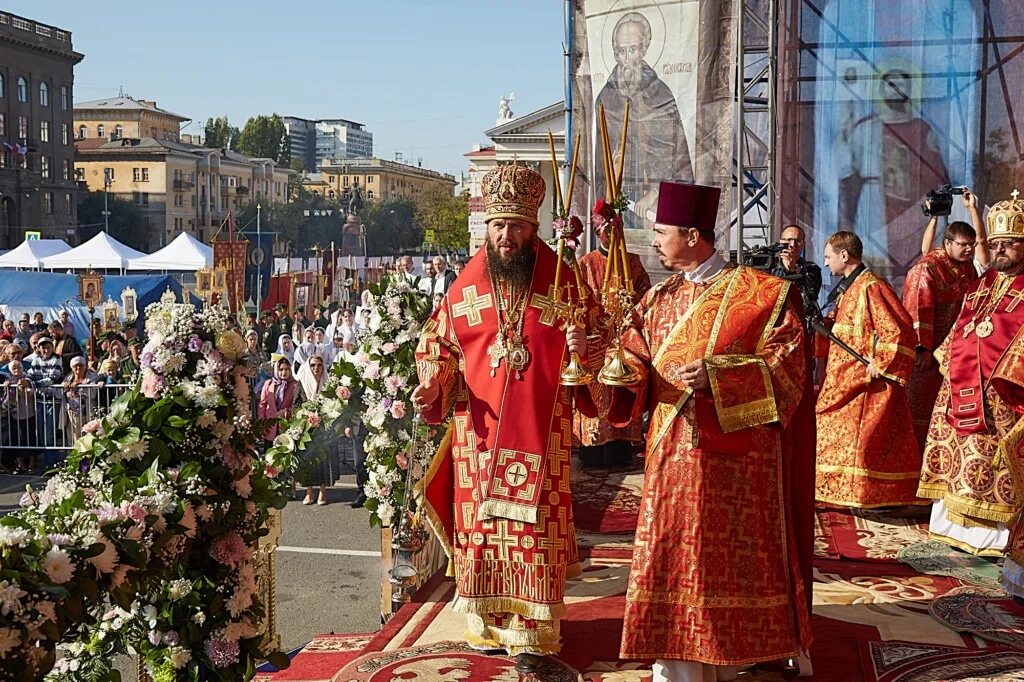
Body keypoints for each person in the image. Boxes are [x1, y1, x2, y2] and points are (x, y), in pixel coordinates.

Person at [583, 181, 811, 681]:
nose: (655, 239)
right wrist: (597, 356)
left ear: (692, 234)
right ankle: (677, 658)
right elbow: (632, 364)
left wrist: (719, 377)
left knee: (725, 560)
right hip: (670, 458)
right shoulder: (656, 300)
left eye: (661, 231)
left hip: (737, 463)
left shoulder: (762, 294)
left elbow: (789, 370)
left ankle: (734, 652)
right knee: (673, 552)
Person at [411, 163, 596, 673]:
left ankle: (535, 630)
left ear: (533, 229)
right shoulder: (466, 286)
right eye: (498, 227)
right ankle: (487, 623)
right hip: (480, 432)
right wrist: (433, 379)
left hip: (542, 428)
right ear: (486, 229)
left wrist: (586, 347)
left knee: (532, 528)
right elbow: (440, 345)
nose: (506, 237)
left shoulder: (562, 279)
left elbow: (597, 341)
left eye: (516, 226)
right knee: (484, 528)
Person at [919, 191, 1024, 556]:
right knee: (959, 457)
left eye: (1009, 245)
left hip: (1002, 396)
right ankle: (953, 525)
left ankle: (994, 536)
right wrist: (950, 365)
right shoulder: (983, 284)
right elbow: (963, 327)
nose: (1001, 251)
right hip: (960, 387)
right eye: (996, 245)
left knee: (988, 460)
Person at [815, 231, 921, 508]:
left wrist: (881, 363)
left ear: (844, 255)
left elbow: (900, 332)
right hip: (841, 381)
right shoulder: (849, 289)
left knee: (862, 444)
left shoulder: (871, 287)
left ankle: (867, 495)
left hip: (865, 384)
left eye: (828, 257)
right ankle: (845, 494)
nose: (825, 263)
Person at [903, 191, 985, 453]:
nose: (969, 249)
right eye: (964, 245)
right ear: (948, 244)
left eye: (971, 245)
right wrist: (923, 349)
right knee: (920, 411)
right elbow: (918, 308)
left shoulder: (968, 268)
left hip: (957, 356)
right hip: (928, 358)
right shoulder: (926, 268)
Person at [595, 11, 693, 228]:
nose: (627, 58)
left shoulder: (661, 95)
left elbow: (676, 156)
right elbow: (600, 166)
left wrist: (655, 193)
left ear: (644, 49)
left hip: (651, 202)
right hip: (616, 199)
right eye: (621, 51)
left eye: (633, 49)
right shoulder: (606, 98)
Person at [574, 198, 652, 467]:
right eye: (605, 231)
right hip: (596, 344)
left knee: (620, 398)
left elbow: (645, 299)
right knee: (596, 402)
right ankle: (592, 453)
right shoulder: (585, 264)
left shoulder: (633, 262)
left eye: (615, 230)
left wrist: (632, 308)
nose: (611, 235)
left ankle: (621, 448)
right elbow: (578, 302)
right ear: (598, 233)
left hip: (624, 342)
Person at [295, 354, 334, 505]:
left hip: (324, 428)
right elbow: (296, 405)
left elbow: (333, 405)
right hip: (306, 428)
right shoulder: (302, 383)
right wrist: (304, 416)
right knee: (308, 460)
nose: (316, 368)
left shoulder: (328, 383)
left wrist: (323, 417)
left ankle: (323, 491)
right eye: (312, 365)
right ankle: (309, 492)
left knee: (323, 459)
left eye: (318, 365)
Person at [770, 224, 824, 319]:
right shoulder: (770, 268)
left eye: (797, 241)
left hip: (800, 323)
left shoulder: (811, 269)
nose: (792, 245)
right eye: (788, 240)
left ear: (803, 245)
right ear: (781, 242)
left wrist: (792, 270)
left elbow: (808, 299)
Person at [1, 360, 36, 474]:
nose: (17, 371)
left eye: (18, 368)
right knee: (17, 440)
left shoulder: (28, 379)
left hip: (29, 413)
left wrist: (23, 388)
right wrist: (8, 387)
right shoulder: (9, 381)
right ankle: (21, 465)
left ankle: (31, 464)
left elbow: (31, 393)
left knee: (30, 438)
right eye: (14, 368)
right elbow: (6, 401)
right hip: (15, 415)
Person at [259, 355, 304, 444]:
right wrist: (262, 424)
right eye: (281, 369)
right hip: (270, 427)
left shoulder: (296, 385)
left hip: (287, 426)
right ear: (276, 370)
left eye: (286, 369)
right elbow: (262, 404)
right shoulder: (268, 384)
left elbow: (299, 405)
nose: (284, 372)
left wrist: (286, 411)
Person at [62, 356, 102, 439]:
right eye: (75, 366)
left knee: (88, 437)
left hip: (87, 412)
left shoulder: (92, 376)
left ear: (85, 366)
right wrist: (64, 387)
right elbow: (59, 393)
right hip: (71, 414)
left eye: (81, 365)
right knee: (73, 439)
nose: (78, 367)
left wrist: (80, 385)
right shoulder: (68, 377)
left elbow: (93, 393)